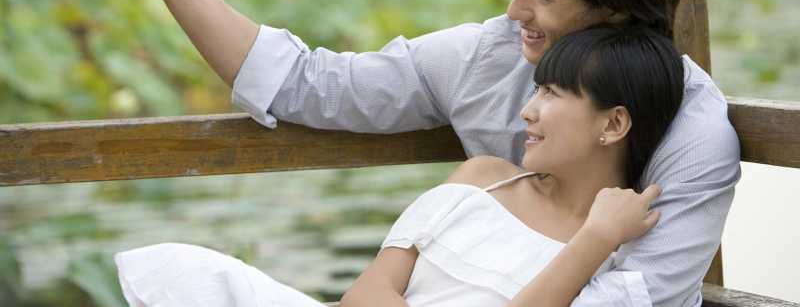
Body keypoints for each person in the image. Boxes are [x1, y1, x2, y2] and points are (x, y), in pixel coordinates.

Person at [88, 0, 740, 304]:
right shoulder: (487, 59)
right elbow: (306, 82)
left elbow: (634, 296)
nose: (514, 10)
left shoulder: (692, 136)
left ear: (615, 11)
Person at [115, 24, 684, 306]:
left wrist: (594, 240)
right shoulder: (485, 177)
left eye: (553, 94)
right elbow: (366, 294)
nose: (528, 111)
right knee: (188, 274)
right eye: (536, 89)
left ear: (613, 123)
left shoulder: (620, 255)